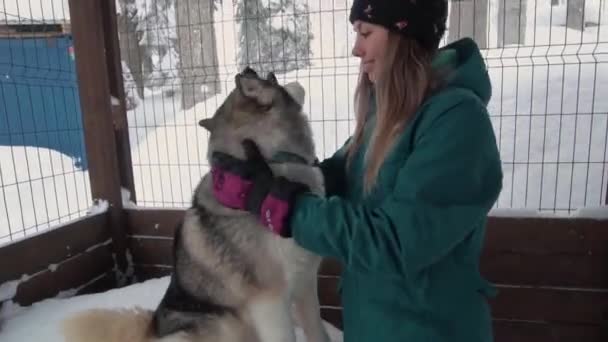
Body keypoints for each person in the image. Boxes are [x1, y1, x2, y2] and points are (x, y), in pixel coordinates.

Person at [210, 0, 503, 341]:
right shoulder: (391, 115)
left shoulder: (455, 122)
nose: (356, 48)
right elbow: (342, 174)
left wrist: (284, 207)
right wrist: (271, 177)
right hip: (374, 325)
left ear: (402, 35)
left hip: (426, 329)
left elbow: (394, 244)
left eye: (365, 32)